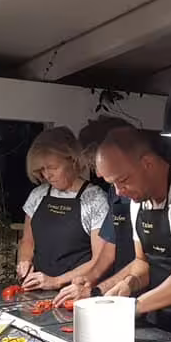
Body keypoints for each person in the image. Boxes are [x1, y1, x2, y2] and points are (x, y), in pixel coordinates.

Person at [56, 126, 171, 342]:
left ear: (147, 163)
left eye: (123, 180)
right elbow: (142, 263)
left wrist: (135, 306)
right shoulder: (138, 201)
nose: (119, 192)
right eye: (112, 184)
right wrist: (126, 285)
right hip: (158, 323)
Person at [53, 117, 137, 305]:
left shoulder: (147, 193)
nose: (97, 173)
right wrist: (89, 279)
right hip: (121, 291)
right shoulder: (114, 192)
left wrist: (97, 289)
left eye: (97, 162)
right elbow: (109, 248)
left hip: (151, 293)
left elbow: (144, 262)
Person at [17, 127, 108, 291]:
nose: (47, 175)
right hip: (37, 288)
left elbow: (99, 260)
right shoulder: (37, 195)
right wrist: (25, 261)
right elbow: (28, 242)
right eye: (41, 169)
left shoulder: (95, 199)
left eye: (52, 167)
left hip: (75, 290)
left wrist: (56, 281)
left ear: (72, 160)